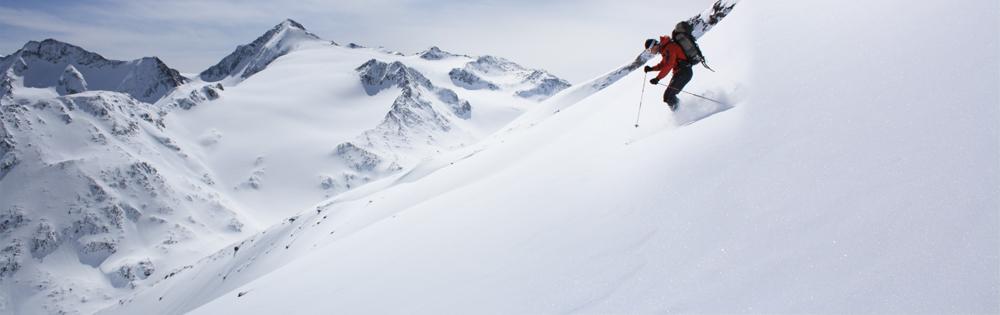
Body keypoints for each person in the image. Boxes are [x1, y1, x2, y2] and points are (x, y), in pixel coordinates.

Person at [643, 36, 692, 110]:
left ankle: (682, 112)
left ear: (654, 45)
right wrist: (651, 69)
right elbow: (663, 65)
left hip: (684, 72)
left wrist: (657, 78)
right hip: (679, 73)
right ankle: (682, 111)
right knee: (667, 96)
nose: (651, 52)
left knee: (669, 96)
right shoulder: (665, 49)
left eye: (650, 50)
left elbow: (668, 65)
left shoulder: (669, 47)